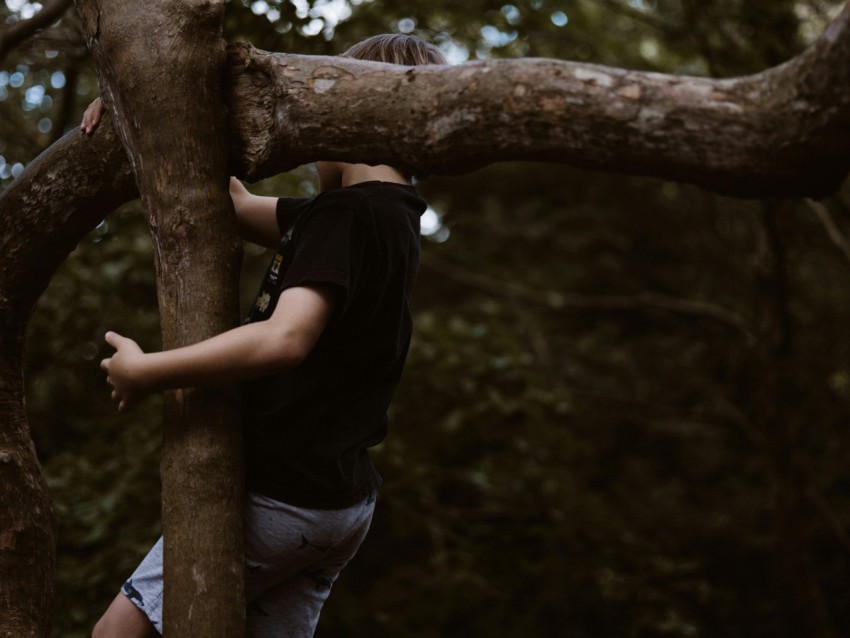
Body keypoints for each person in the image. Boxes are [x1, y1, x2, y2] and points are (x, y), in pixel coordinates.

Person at [84, 33, 447, 638]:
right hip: (339, 506)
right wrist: (134, 109)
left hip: (283, 497)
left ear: (349, 122)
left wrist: (148, 371)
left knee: (115, 634)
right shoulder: (391, 218)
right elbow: (229, 203)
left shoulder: (345, 216)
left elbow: (285, 339)